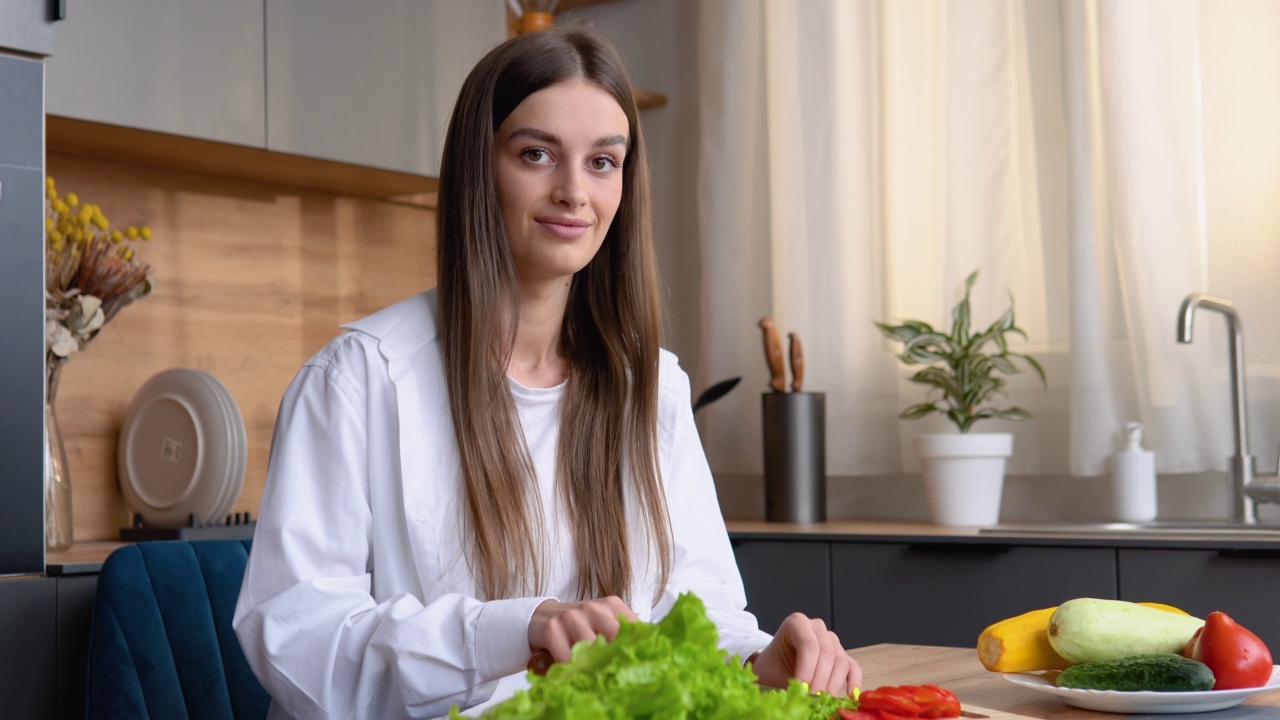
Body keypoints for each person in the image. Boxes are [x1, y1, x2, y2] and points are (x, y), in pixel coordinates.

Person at [232, 25, 861, 720]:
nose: (573, 191)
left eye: (602, 162)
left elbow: (698, 611)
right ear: (480, 168)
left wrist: (757, 660)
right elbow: (295, 640)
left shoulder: (651, 390)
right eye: (537, 154)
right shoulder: (357, 381)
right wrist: (514, 629)